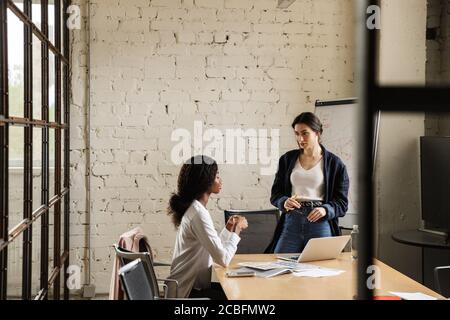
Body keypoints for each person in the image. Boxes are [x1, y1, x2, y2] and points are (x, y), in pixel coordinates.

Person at [267, 112, 349, 254]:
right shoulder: (287, 159)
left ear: (317, 133)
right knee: (280, 265)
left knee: (322, 269)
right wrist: (284, 201)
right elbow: (275, 194)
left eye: (305, 133)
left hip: (319, 222)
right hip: (292, 221)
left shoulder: (335, 164)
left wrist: (325, 209)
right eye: (297, 134)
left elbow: (342, 203)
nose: (300, 139)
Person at [167, 155, 248, 299]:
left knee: (234, 289)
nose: (220, 180)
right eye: (217, 176)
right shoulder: (198, 213)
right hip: (188, 292)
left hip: (191, 287)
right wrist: (237, 231)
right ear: (205, 181)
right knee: (238, 294)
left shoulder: (196, 209)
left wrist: (228, 229)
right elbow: (222, 259)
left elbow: (214, 250)